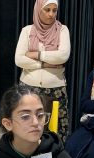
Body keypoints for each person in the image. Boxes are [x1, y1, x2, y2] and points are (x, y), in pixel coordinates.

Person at [15, 0, 71, 143]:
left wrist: (36, 54)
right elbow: (19, 59)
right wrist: (44, 64)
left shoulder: (62, 30)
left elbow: (63, 55)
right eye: (47, 10)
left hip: (55, 89)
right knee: (28, 128)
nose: (51, 14)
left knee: (56, 131)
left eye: (54, 10)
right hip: (28, 88)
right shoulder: (27, 31)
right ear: (38, 9)